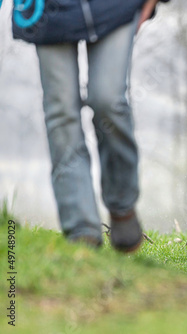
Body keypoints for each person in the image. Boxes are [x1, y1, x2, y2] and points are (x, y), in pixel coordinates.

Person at [11, 0, 169, 252]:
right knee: (61, 111)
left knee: (108, 100)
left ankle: (121, 205)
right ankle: (81, 229)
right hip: (48, 11)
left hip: (116, 7)